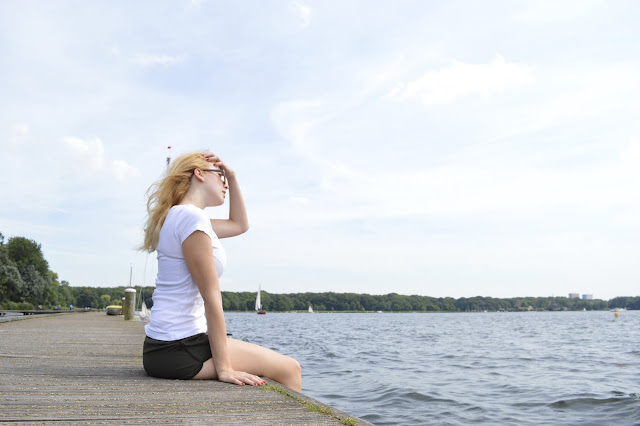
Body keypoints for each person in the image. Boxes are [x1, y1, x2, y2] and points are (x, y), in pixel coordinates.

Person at [140, 152, 301, 391]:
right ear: (199, 174)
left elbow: (240, 225)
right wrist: (224, 369)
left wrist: (233, 177)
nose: (225, 184)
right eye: (221, 176)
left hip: (164, 347)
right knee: (290, 368)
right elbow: (211, 297)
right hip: (179, 348)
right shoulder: (190, 217)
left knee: (280, 366)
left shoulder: (179, 216)